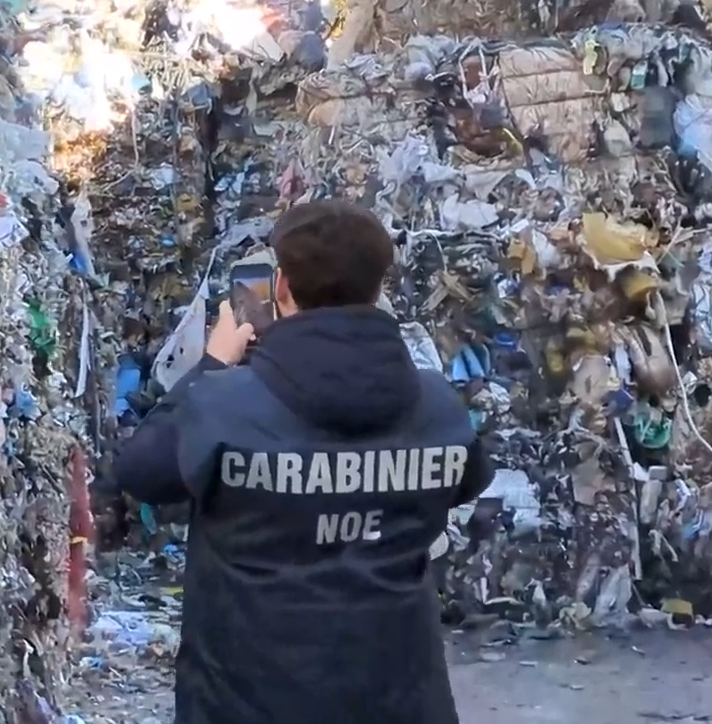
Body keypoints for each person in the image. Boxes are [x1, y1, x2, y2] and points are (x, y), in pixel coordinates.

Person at [113, 200, 492, 724]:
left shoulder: (220, 404)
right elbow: (467, 480)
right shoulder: (439, 406)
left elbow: (137, 472)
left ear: (283, 289)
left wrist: (212, 364)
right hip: (402, 699)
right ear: (378, 289)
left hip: (248, 703)